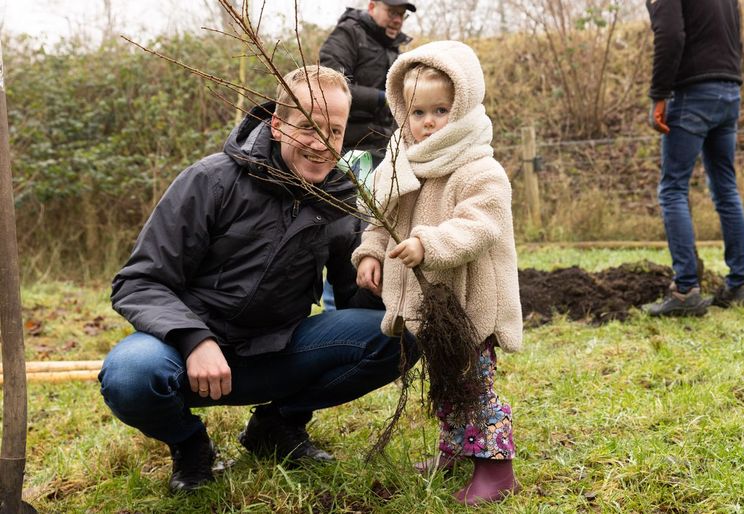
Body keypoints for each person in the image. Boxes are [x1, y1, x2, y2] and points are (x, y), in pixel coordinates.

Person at [98, 65, 417, 493]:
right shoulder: (210, 180)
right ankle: (190, 445)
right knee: (129, 374)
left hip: (278, 351)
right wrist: (195, 339)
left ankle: (276, 425)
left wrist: (388, 278)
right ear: (278, 124)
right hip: (185, 355)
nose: (322, 144)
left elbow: (354, 308)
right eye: (309, 127)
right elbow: (139, 282)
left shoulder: (339, 201)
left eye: (335, 132)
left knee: (398, 337)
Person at [352, 41, 523, 505]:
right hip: (430, 306)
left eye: (441, 110)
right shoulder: (401, 162)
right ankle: (456, 450)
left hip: (470, 302)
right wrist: (370, 251)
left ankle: (495, 467)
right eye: (417, 112)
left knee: (474, 383)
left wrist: (430, 243)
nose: (427, 122)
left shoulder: (478, 167)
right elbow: (381, 216)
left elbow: (480, 225)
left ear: (464, 105)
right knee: (446, 379)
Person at [645, 0, 744, 317]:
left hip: (692, 92)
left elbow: (669, 35)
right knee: (726, 188)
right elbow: (736, 34)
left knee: (673, 188)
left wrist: (658, 94)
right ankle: (738, 285)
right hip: (729, 89)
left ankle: (686, 290)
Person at [319, 0, 416, 312]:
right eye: (392, 12)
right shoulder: (348, 35)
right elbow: (331, 84)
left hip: (383, 153)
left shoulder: (391, 48)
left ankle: (371, 311)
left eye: (402, 15)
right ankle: (337, 312)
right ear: (373, 6)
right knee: (348, 228)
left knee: (374, 227)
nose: (397, 20)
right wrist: (382, 99)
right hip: (350, 152)